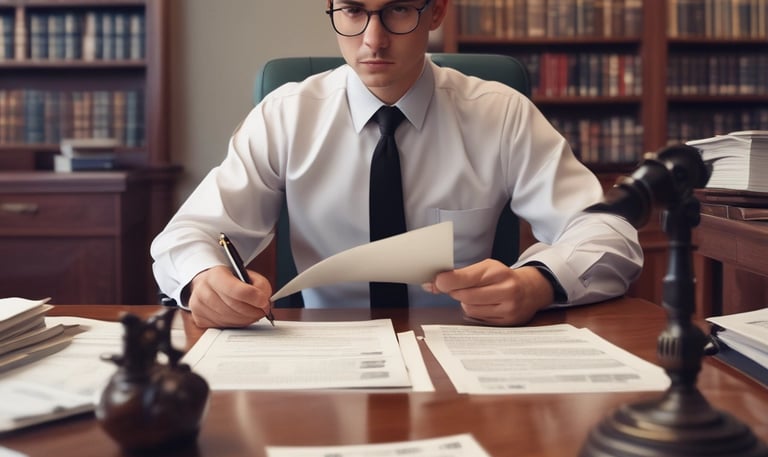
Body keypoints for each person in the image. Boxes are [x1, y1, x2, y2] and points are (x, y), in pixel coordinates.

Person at [151, 0, 643, 329]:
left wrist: (538, 284)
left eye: (398, 10)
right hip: (322, 360)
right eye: (352, 11)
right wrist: (203, 281)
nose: (373, 40)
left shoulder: (501, 113)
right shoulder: (286, 114)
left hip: (464, 354)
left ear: (436, 12)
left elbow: (610, 237)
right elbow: (186, 236)